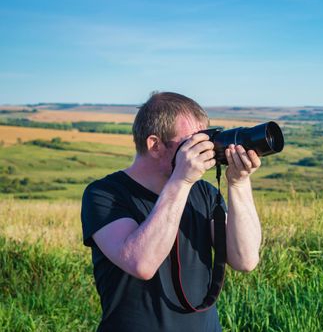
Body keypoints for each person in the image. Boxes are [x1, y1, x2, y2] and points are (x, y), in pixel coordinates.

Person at [81, 92, 262, 331]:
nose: (204, 148)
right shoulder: (105, 194)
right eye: (192, 141)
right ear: (155, 145)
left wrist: (238, 184)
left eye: (206, 138)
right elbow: (141, 264)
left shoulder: (204, 193)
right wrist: (181, 182)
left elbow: (245, 260)